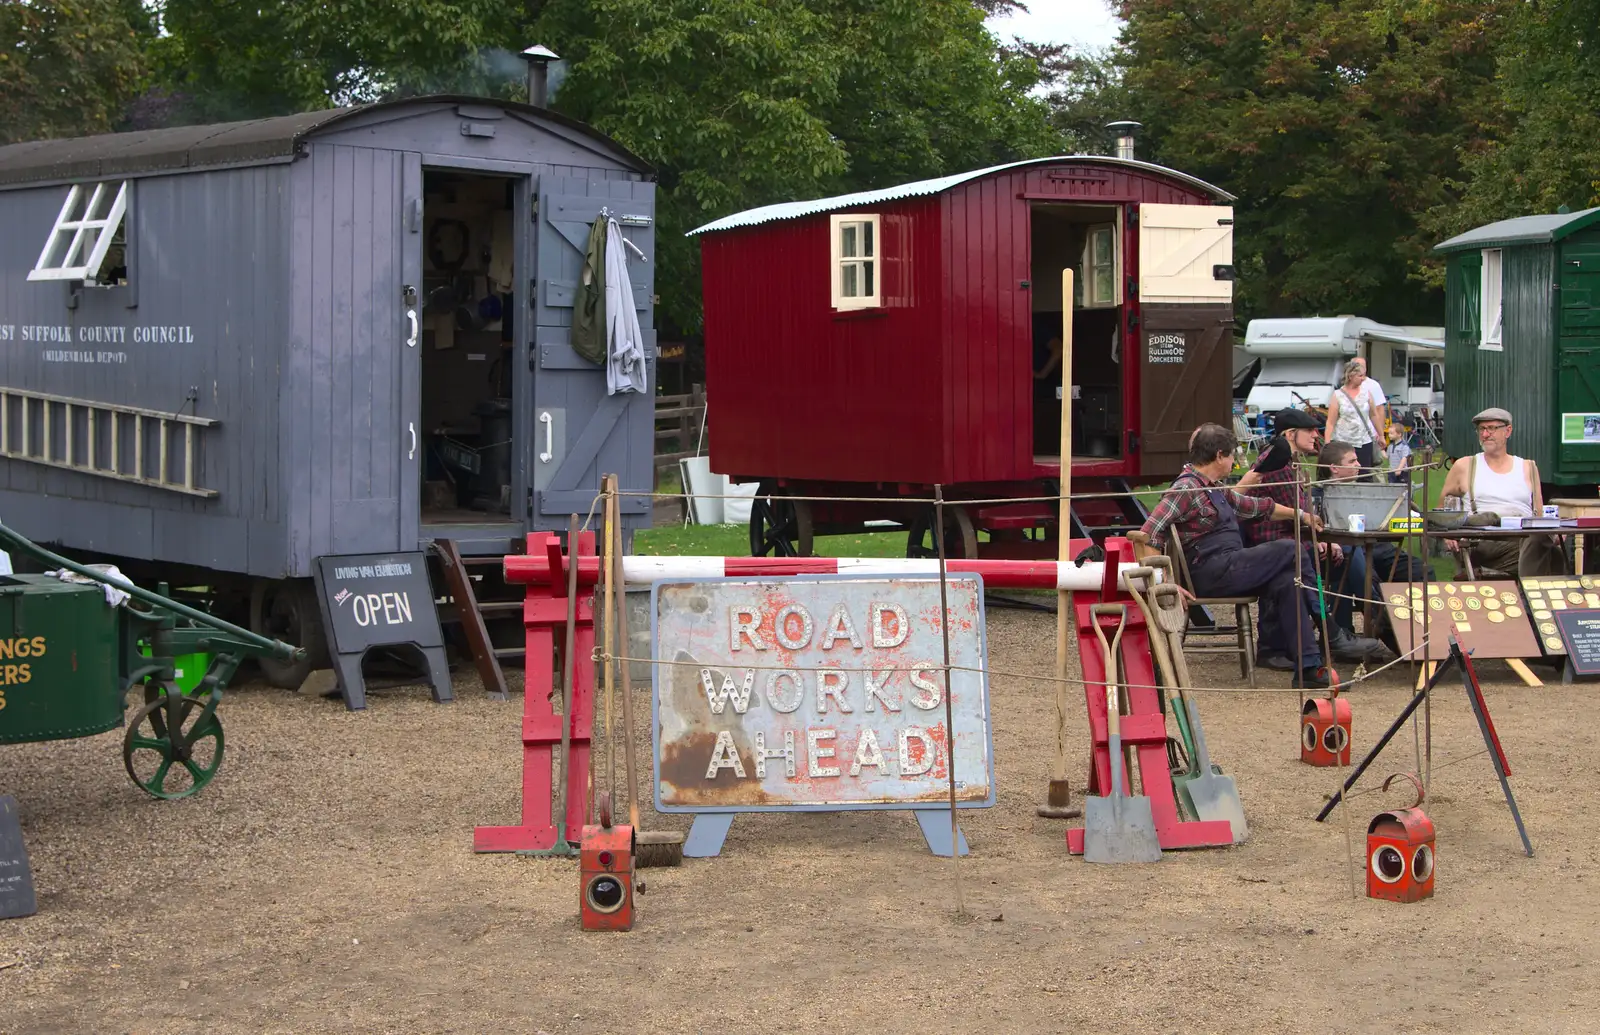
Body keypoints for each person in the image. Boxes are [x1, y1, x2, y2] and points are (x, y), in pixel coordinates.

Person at [1138, 422, 1333, 689]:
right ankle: (1327, 624)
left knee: (1289, 578)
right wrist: (1164, 584)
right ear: (1219, 455)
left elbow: (1257, 506)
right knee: (1290, 548)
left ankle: (1308, 667)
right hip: (1209, 572)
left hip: (1231, 567)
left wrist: (1301, 515)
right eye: (1232, 455)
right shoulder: (1187, 488)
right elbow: (1148, 534)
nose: (1235, 461)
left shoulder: (1212, 488)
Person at [1237, 408, 1385, 666]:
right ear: (1291, 434)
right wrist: (1315, 541)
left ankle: (1343, 633)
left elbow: (1302, 517)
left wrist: (1321, 540)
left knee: (1345, 556)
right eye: (1310, 430)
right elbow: (1281, 517)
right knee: (1342, 554)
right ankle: (1364, 627)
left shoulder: (1292, 463)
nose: (1316, 435)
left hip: (1291, 539)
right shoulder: (1276, 461)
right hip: (1271, 543)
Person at [1437, 407, 1564, 577]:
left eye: (1492, 428)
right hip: (1483, 540)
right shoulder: (1465, 466)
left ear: (1508, 431)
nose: (1485, 434)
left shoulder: (1528, 467)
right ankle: (1532, 595)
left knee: (1545, 544)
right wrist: (1449, 536)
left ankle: (1531, 589)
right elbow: (1441, 513)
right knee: (1547, 551)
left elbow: (1539, 515)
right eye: (1481, 429)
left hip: (1524, 537)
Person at [1324, 359, 1383, 480]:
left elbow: (1373, 415)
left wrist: (1381, 435)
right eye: (1360, 376)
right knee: (1343, 475)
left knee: (1365, 475)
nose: (1363, 378)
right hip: (1343, 441)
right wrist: (1327, 442)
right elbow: (1330, 422)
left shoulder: (1367, 393)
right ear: (1351, 376)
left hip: (1364, 441)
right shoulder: (1337, 395)